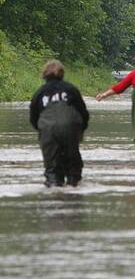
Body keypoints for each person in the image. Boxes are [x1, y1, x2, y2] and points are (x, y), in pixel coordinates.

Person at [30, 60, 89, 188]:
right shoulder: (71, 89)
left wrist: (43, 133)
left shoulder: (40, 92)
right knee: (73, 166)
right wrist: (80, 132)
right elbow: (83, 113)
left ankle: (54, 189)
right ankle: (73, 187)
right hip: (71, 128)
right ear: (62, 74)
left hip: (47, 129)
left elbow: (33, 117)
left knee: (52, 169)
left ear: (45, 74)